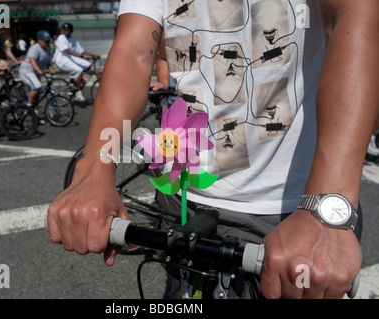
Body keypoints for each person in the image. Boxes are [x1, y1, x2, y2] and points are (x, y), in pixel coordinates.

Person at [47, 0, 379, 299]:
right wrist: (94, 170)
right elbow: (134, 51)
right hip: (181, 197)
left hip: (290, 209)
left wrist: (328, 208)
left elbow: (356, 18)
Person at [52, 23, 100, 102]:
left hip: (70, 58)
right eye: (64, 30)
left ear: (71, 31)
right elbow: (68, 51)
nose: (66, 32)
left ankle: (77, 79)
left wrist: (94, 55)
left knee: (88, 65)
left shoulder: (73, 39)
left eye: (68, 30)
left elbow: (81, 50)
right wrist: (82, 57)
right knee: (79, 70)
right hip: (61, 59)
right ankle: (78, 93)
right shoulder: (61, 38)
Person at [19, 30, 55, 124]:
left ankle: (35, 115)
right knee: (37, 86)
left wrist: (50, 69)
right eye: (45, 41)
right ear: (39, 40)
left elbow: (47, 62)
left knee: (37, 95)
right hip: (27, 71)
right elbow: (32, 60)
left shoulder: (46, 49)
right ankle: (28, 106)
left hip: (36, 74)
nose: (47, 43)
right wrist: (39, 70)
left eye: (48, 41)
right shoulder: (35, 48)